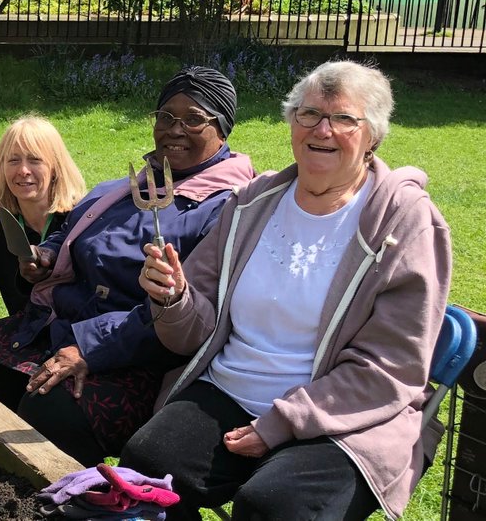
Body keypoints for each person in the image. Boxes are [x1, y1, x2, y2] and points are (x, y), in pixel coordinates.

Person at [123, 61, 451, 521]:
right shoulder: (251, 203)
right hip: (232, 388)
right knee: (148, 466)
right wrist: (173, 298)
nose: (323, 129)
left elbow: (391, 367)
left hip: (343, 418)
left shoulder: (403, 222)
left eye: (343, 119)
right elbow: (191, 332)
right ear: (291, 123)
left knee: (272, 506)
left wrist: (282, 423)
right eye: (309, 114)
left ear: (372, 135)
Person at [0, 67, 255, 467]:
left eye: (194, 119)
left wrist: (89, 348)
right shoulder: (123, 189)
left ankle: (80, 496)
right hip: (59, 327)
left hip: (139, 357)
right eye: (166, 117)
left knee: (49, 409)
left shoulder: (226, 207)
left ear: (222, 129)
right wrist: (48, 256)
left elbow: (184, 314)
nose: (175, 130)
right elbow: (71, 230)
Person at [0, 116, 87, 333]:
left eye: (35, 160)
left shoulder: (82, 221)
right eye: (13, 160)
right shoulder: (0, 232)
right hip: (25, 345)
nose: (23, 170)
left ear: (55, 168)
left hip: (76, 345)